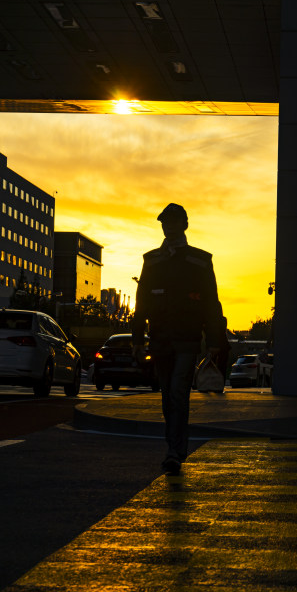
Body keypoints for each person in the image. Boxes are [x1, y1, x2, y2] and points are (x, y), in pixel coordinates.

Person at [132, 203, 222, 474]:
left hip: (187, 337)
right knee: (167, 396)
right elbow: (142, 302)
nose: (168, 227)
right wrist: (137, 338)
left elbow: (211, 303)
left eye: (173, 223)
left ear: (184, 225)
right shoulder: (152, 260)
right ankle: (173, 445)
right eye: (165, 223)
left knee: (178, 392)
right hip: (160, 338)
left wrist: (214, 339)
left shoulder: (200, 260)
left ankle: (175, 451)